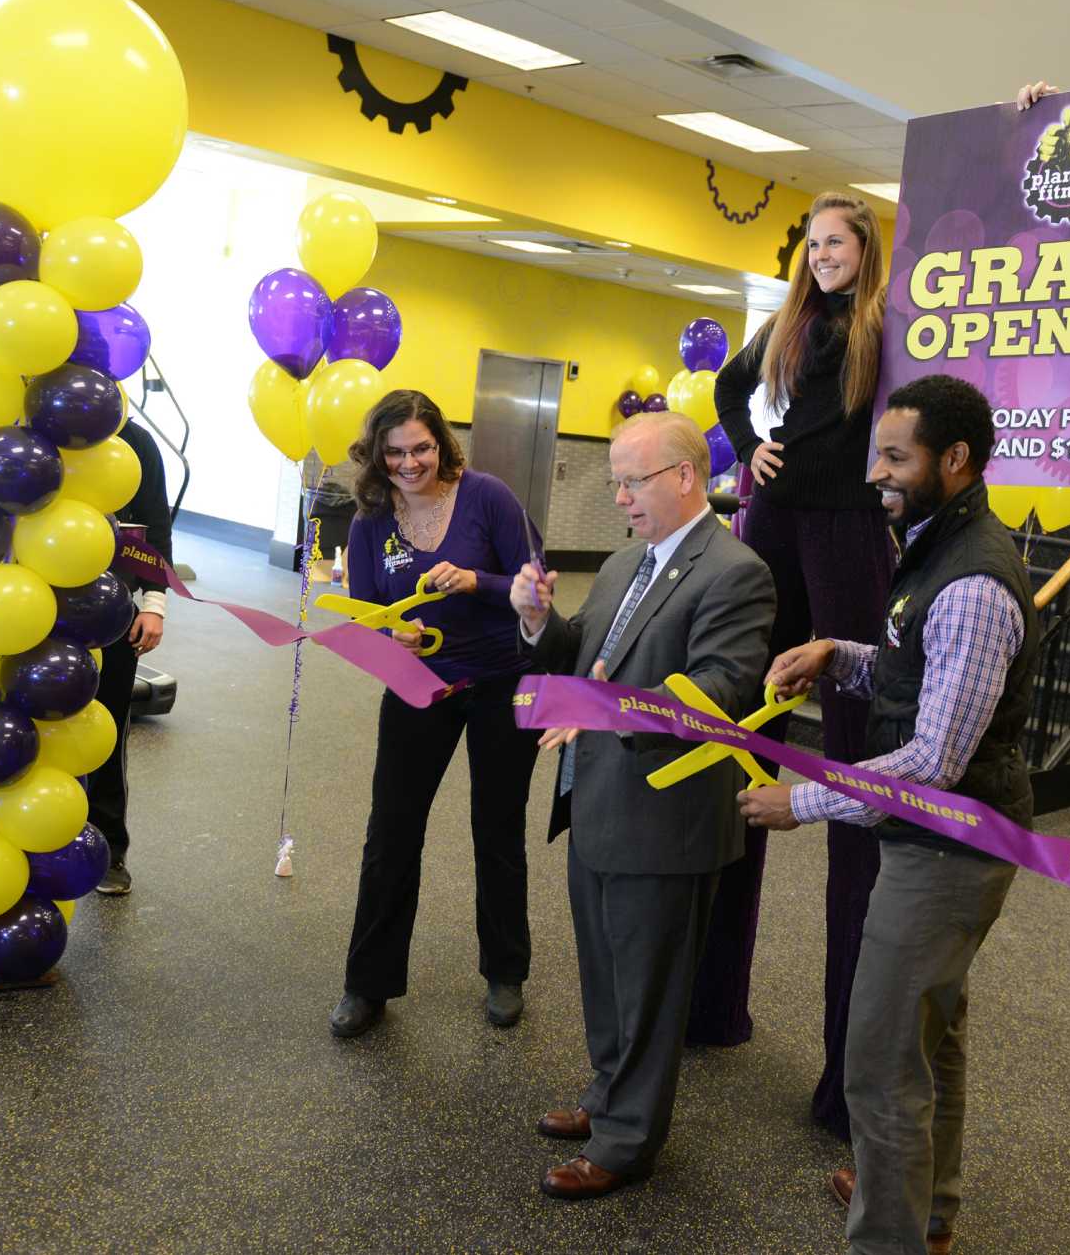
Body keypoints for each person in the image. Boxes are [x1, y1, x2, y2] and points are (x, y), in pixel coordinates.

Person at [740, 374, 1039, 1255]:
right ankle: (923, 1209)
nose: (877, 474)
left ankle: (891, 1236)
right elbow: (916, 672)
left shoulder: (975, 582)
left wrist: (804, 800)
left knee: (878, 1064)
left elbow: (932, 763)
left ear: (956, 461)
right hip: (933, 842)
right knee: (928, 1041)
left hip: (948, 848)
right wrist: (841, 655)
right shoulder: (932, 546)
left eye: (896, 458)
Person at [509, 411, 775, 1201]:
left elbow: (720, 691)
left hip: (667, 817)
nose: (619, 496)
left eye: (631, 481)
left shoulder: (736, 571)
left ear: (685, 477)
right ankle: (606, 1097)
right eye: (616, 481)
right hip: (598, 801)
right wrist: (536, 621)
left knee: (650, 989)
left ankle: (628, 1142)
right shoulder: (630, 563)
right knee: (605, 971)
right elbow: (584, 656)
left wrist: (605, 710)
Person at [704, 189, 898, 1129]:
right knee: (746, 733)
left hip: (850, 531)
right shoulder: (787, 321)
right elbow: (727, 390)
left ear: (867, 248)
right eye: (814, 243)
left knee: (858, 757)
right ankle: (712, 1005)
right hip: (776, 519)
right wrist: (751, 450)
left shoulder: (887, 326)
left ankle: (844, 1078)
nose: (824, 255)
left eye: (838, 242)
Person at [329, 389, 544, 1039]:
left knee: (498, 827)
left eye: (421, 448)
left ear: (441, 444)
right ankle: (367, 984)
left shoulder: (488, 497)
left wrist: (480, 581)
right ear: (378, 456)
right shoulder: (370, 520)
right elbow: (366, 611)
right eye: (395, 452)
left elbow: (534, 584)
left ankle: (506, 970)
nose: (410, 463)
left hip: (502, 681)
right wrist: (389, 636)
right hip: (419, 686)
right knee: (391, 833)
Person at [89, 416, 172, 896]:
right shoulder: (28, 427)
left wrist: (155, 605)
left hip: (112, 608)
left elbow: (155, 527)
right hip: (26, 606)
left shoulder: (134, 440)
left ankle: (108, 848)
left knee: (105, 730)